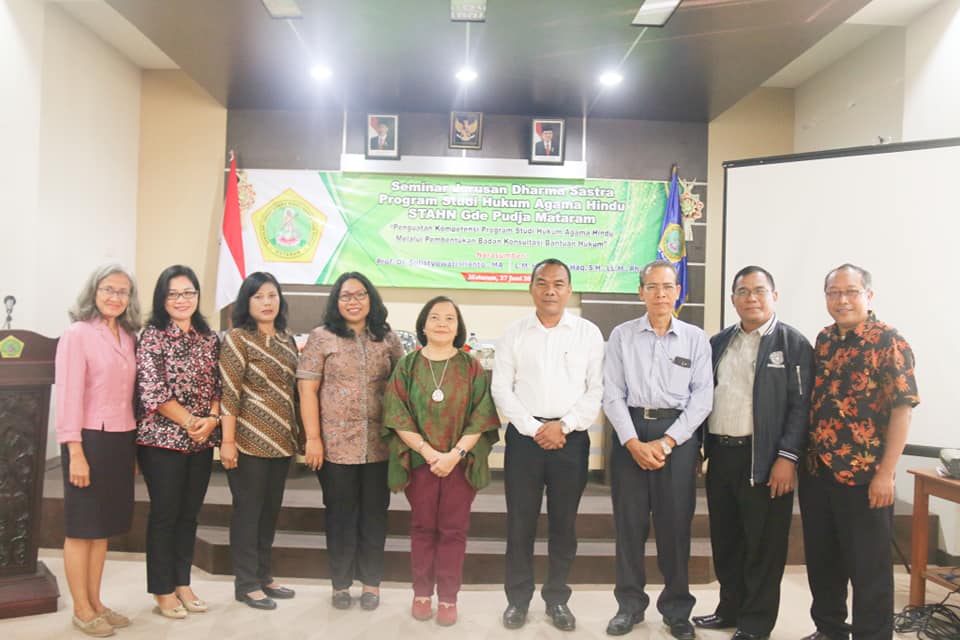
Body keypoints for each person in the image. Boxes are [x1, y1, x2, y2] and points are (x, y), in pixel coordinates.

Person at [691, 266, 813, 640]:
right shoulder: (719, 342)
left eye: (759, 291)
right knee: (727, 540)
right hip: (723, 456)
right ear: (733, 300)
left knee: (764, 546)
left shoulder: (793, 344)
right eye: (743, 292)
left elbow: (801, 405)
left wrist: (788, 457)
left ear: (774, 296)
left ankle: (756, 623)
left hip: (767, 460)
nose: (751, 298)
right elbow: (700, 397)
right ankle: (730, 609)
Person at [799, 264, 918, 640]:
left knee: (869, 569)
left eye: (850, 291)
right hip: (819, 472)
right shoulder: (824, 339)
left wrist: (886, 473)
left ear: (868, 295)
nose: (842, 300)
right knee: (823, 562)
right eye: (834, 293)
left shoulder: (890, 341)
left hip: (866, 475)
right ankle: (829, 629)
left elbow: (902, 408)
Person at [491, 258, 604, 632]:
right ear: (531, 289)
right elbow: (501, 389)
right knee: (520, 524)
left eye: (558, 283)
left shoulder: (588, 333)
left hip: (571, 441)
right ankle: (517, 600)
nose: (550, 290)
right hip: (524, 441)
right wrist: (533, 427)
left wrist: (564, 426)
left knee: (563, 525)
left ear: (569, 289)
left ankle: (557, 599)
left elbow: (596, 390)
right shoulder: (514, 334)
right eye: (542, 283)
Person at [602, 259, 713, 640]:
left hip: (676, 438)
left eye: (668, 286)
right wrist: (632, 441)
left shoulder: (696, 339)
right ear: (641, 292)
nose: (661, 294)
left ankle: (677, 610)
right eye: (652, 286)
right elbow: (612, 393)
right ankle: (629, 607)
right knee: (629, 527)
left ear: (678, 291)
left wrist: (667, 441)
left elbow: (702, 399)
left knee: (675, 527)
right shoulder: (621, 335)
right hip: (631, 430)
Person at [382, 296, 500, 626]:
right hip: (420, 463)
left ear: (458, 327)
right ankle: (421, 592)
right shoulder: (407, 365)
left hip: (460, 464)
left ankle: (448, 597)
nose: (442, 323)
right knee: (422, 527)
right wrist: (430, 453)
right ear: (423, 324)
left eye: (450, 318)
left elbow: (482, 415)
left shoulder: (470, 366)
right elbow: (397, 414)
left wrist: (455, 454)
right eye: (435, 317)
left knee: (453, 530)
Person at [297, 272, 404, 611]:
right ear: (336, 301)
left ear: (371, 299)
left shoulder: (387, 338)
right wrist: (313, 439)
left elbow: (403, 389)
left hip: (379, 445)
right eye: (346, 296)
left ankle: (371, 583)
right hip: (334, 445)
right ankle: (340, 584)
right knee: (339, 516)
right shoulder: (321, 337)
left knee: (375, 515)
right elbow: (307, 389)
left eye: (360, 295)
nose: (353, 301)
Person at [55, 264, 141, 637]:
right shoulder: (77, 334)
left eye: (123, 292)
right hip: (87, 439)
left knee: (102, 527)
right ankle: (81, 607)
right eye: (108, 289)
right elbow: (69, 395)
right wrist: (75, 450)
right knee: (81, 527)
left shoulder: (128, 336)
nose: (115, 297)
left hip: (121, 439)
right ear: (94, 291)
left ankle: (97, 601)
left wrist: (133, 451)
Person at [135, 265, 221, 619]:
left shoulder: (209, 336)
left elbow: (218, 385)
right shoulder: (152, 335)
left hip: (201, 440)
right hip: (161, 440)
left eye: (188, 293)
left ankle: (182, 582)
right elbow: (153, 390)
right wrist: (190, 421)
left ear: (198, 296)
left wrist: (212, 419)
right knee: (165, 515)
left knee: (189, 515)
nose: (182, 300)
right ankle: (162, 589)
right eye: (174, 294)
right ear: (162, 299)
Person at [219, 272, 302, 610]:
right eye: (259, 297)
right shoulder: (237, 339)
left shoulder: (287, 339)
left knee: (269, 513)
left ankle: (264, 576)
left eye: (272, 295)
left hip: (282, 441)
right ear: (246, 302)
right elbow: (228, 392)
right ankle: (246, 583)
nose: (267, 302)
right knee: (248, 514)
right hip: (248, 441)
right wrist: (226, 442)